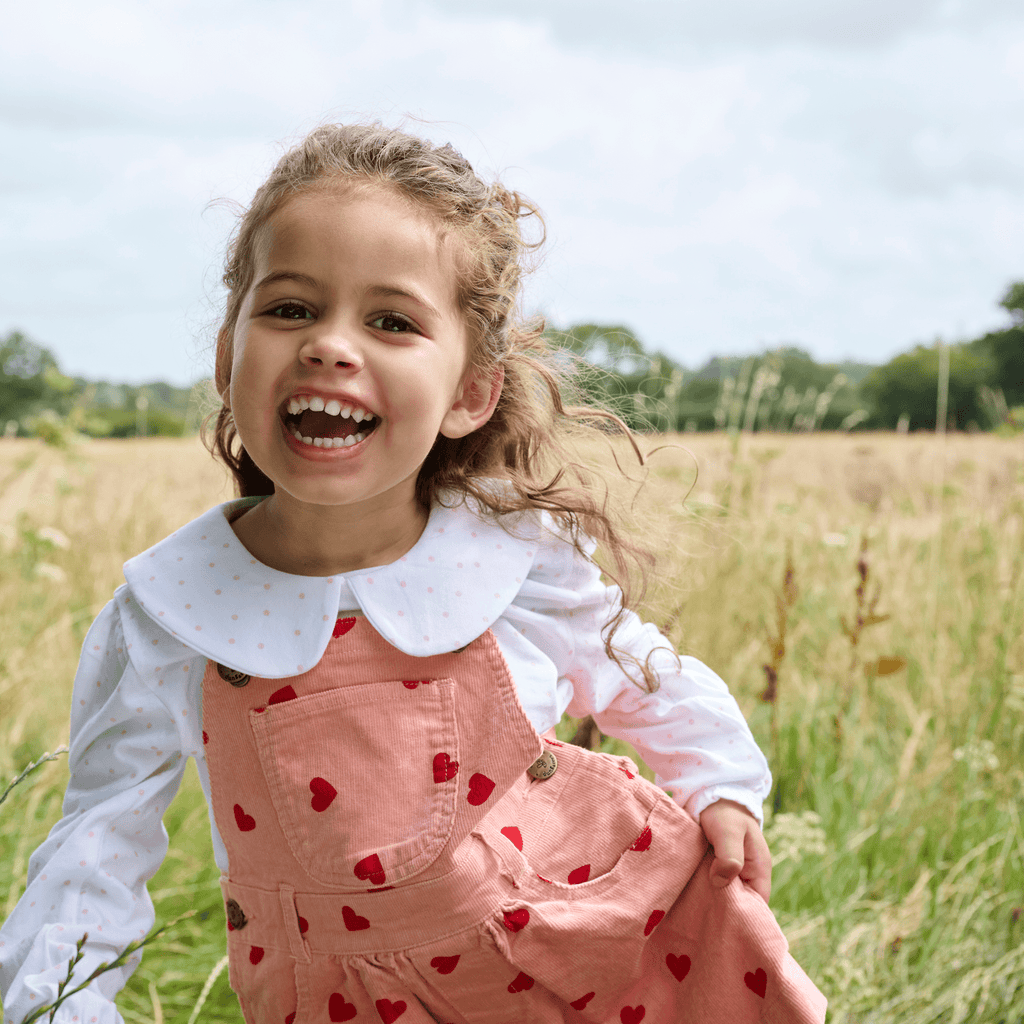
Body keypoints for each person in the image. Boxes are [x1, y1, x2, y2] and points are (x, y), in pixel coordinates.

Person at [0, 123, 826, 1024]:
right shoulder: (173, 612)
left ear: (471, 392)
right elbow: (96, 843)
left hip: (576, 957)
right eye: (289, 310)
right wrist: (54, 1003)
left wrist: (721, 783)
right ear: (226, 354)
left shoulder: (514, 561)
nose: (329, 346)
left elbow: (641, 670)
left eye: (391, 321)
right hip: (335, 999)